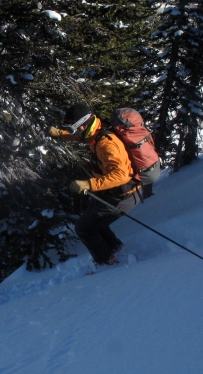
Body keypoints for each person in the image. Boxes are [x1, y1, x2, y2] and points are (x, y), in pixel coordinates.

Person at [48, 103, 142, 266]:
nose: (72, 132)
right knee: (92, 219)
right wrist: (60, 134)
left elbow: (120, 175)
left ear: (83, 125)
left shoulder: (106, 144)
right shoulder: (96, 129)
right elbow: (79, 136)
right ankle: (115, 248)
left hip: (123, 195)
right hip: (112, 191)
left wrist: (88, 184)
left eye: (72, 129)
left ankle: (106, 263)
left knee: (84, 229)